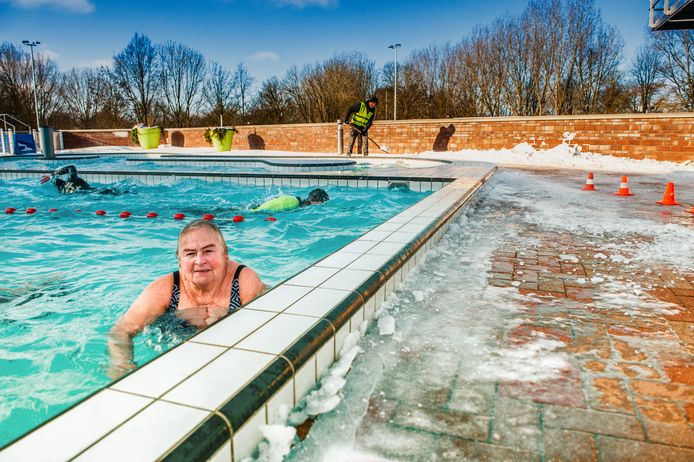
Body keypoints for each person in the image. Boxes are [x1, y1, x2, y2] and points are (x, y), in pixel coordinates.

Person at [107, 219, 265, 379]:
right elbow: (121, 330)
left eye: (208, 251)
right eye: (190, 253)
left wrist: (229, 317)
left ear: (225, 255)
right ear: (180, 261)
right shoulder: (165, 289)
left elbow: (259, 331)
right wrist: (123, 366)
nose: (200, 260)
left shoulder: (242, 281)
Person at [40, 164, 122, 195]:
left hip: (90, 195)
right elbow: (71, 167)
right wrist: (52, 175)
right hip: (98, 190)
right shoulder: (71, 179)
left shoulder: (63, 192)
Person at [252, 188, 329, 213]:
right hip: (259, 212)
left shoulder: (296, 200)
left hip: (259, 208)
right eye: (323, 203)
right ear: (319, 202)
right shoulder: (294, 204)